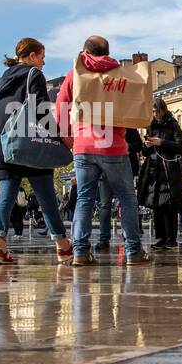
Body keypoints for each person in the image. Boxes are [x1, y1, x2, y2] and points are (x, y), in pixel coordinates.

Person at [57, 35, 150, 265]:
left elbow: (60, 109)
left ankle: (80, 251)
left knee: (84, 200)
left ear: (84, 51)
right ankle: (133, 251)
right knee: (127, 198)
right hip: (114, 146)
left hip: (84, 146)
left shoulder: (75, 75)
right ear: (107, 52)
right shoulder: (118, 74)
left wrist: (70, 140)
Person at [0, 37, 73, 264]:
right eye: (42, 58)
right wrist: (61, 136)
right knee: (46, 197)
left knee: (6, 196)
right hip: (31, 144)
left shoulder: (1, 80)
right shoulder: (34, 74)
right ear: (32, 56)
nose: (43, 63)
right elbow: (41, 111)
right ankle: (62, 245)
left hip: (6, 145)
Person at [136, 96, 182, 251]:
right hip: (153, 169)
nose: (155, 114)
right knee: (156, 205)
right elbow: (145, 152)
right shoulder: (150, 126)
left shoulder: (172, 125)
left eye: (157, 111)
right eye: (153, 112)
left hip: (169, 170)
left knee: (169, 205)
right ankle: (160, 238)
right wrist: (146, 146)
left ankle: (171, 238)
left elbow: (180, 146)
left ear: (163, 110)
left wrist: (162, 142)